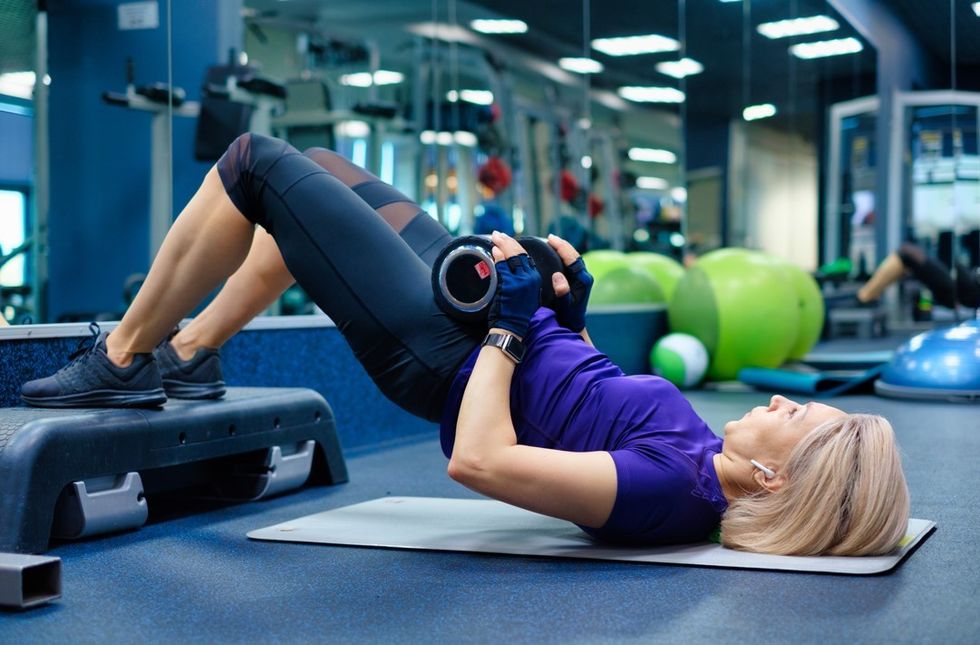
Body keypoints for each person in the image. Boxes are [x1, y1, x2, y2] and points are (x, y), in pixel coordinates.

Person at [22, 134, 910, 555]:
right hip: (482, 336)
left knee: (255, 165)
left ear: (776, 479)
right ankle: (196, 349)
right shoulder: (697, 451)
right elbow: (575, 407)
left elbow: (484, 457)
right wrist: (568, 311)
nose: (788, 399)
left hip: (442, 357)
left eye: (802, 418)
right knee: (322, 176)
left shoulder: (669, 492)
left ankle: (130, 356)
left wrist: (513, 329)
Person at [857, 242, 980, 310]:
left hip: (960, 291)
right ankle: (867, 295)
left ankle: (865, 296)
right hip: (960, 284)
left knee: (906, 254)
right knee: (905, 253)